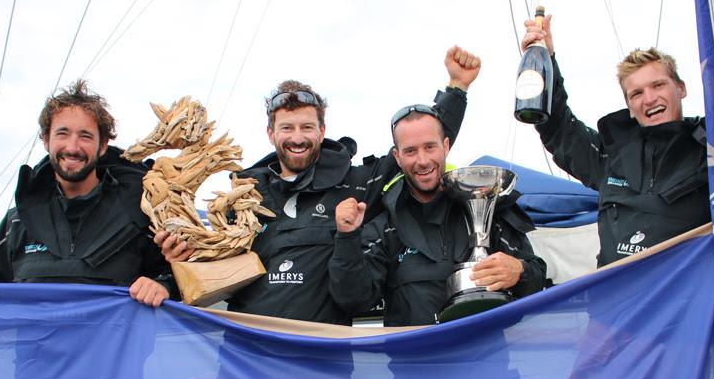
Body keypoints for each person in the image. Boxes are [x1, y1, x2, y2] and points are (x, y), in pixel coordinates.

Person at [157, 46, 481, 324]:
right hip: (248, 363)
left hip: (324, 364)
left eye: (307, 127)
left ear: (322, 130)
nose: (297, 137)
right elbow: (214, 272)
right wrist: (176, 264)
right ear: (271, 134)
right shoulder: (244, 195)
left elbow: (417, 147)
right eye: (287, 128)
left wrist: (456, 88)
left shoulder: (356, 183)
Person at [0, 79, 176, 306]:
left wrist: (162, 284)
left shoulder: (139, 215)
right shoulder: (18, 222)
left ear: (103, 145)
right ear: (46, 140)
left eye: (85, 136)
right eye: (62, 134)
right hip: (33, 343)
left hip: (111, 343)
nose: (73, 147)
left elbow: (180, 277)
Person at [329, 105, 546, 326]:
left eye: (430, 147)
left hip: (486, 357)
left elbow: (538, 278)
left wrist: (520, 271)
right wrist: (346, 237)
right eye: (410, 151)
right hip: (416, 359)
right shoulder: (384, 227)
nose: (422, 161)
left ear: (445, 146)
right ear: (397, 157)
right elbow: (354, 300)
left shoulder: (491, 209)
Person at [521, 15, 709, 267]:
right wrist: (545, 59)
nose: (650, 98)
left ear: (681, 88)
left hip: (686, 299)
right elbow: (559, 130)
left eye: (658, 85)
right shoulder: (609, 157)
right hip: (617, 300)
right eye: (637, 93)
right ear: (629, 106)